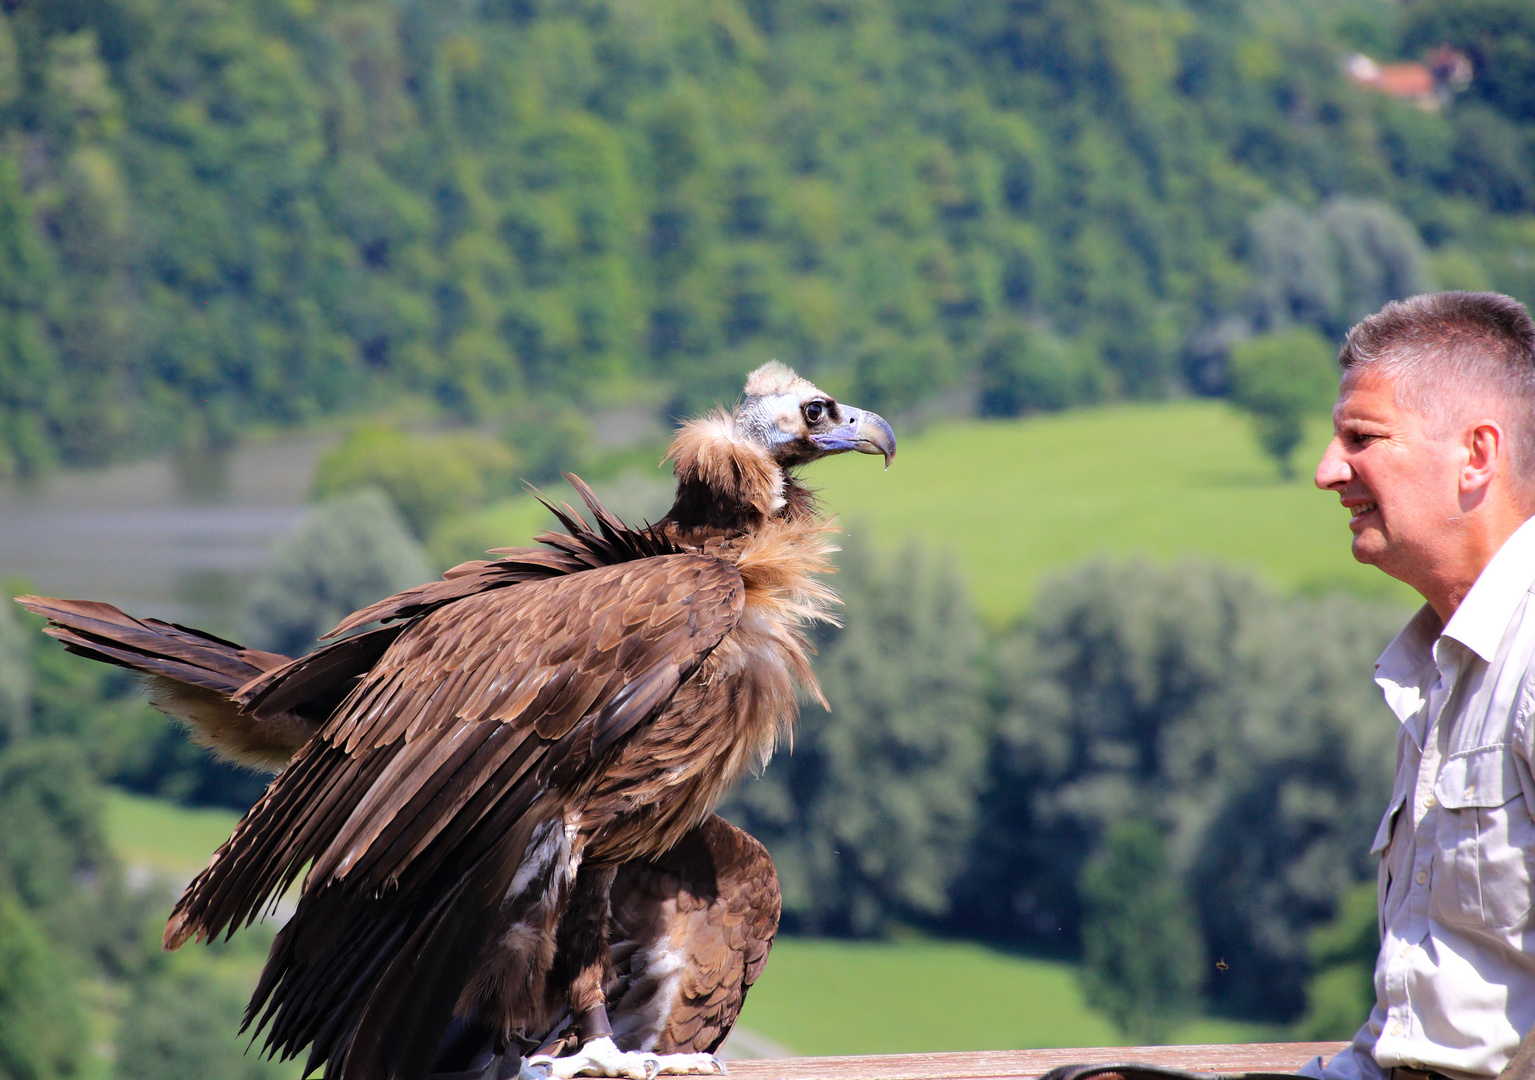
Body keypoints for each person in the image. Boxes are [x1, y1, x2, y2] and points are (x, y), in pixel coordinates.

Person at [1304, 291, 1535, 1080]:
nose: (1326, 471)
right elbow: (1409, 1047)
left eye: (1361, 438)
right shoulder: (1446, 671)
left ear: (1475, 455)